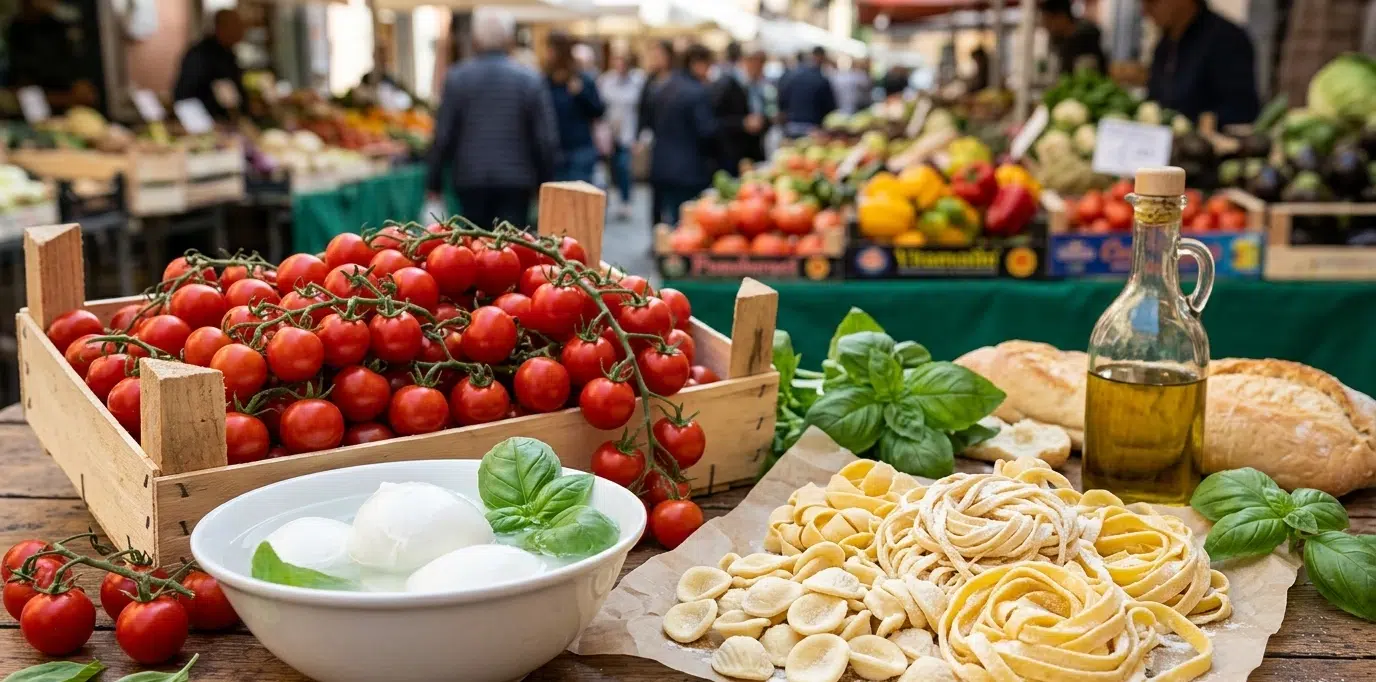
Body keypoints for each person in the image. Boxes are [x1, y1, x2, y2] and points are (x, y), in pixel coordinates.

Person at [425, 9, 559, 230]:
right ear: (509, 40)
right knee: (511, 251)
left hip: (471, 179)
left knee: (471, 249)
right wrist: (545, 183)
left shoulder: (457, 78)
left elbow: (443, 135)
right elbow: (545, 139)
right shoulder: (530, 80)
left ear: (476, 40)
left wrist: (434, 182)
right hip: (516, 181)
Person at [1144, 0, 1260, 125]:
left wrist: (1210, 120)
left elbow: (1242, 109)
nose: (1145, 11)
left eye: (1152, 2)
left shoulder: (1226, 39)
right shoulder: (1165, 44)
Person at [647, 45, 719, 225]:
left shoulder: (664, 87)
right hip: (689, 168)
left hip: (662, 164)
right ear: (698, 64)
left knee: (667, 219)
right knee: (685, 223)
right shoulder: (697, 92)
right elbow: (706, 131)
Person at [7, 0, 97, 112]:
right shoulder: (18, 29)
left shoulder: (72, 23)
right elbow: (22, 90)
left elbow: (87, 93)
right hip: (41, 112)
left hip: (82, 112)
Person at [544, 32, 606, 184]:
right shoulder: (545, 82)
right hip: (554, 150)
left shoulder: (582, 80)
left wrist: (581, 94)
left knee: (578, 201)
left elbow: (598, 111)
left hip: (579, 150)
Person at [173, 9, 248, 119]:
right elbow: (185, 94)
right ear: (221, 27)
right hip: (205, 121)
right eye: (237, 26)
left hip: (229, 122)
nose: (242, 32)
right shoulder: (200, 55)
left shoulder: (228, 54)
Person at [597, 54, 645, 219]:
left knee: (624, 167)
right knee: (611, 169)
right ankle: (609, 200)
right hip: (609, 135)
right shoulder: (606, 81)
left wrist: (641, 137)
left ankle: (625, 201)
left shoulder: (638, 81)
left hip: (628, 133)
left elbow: (642, 110)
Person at [710, 43, 768, 176]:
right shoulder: (726, 85)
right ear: (747, 62)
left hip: (751, 154)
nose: (761, 70)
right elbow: (715, 121)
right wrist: (742, 123)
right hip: (732, 156)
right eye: (759, 64)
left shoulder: (756, 84)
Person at [637, 40, 676, 226]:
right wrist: (640, 137)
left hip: (673, 143)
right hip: (657, 143)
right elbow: (643, 112)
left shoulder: (676, 80)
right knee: (656, 193)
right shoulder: (649, 82)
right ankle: (656, 233)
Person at [777, 47, 837, 138]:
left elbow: (782, 100)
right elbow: (830, 106)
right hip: (813, 127)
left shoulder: (791, 76)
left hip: (792, 125)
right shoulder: (821, 79)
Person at [1040, 0, 1108, 76]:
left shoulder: (1086, 35)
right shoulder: (1059, 39)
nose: (1046, 26)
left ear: (1061, 17)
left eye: (1048, 20)